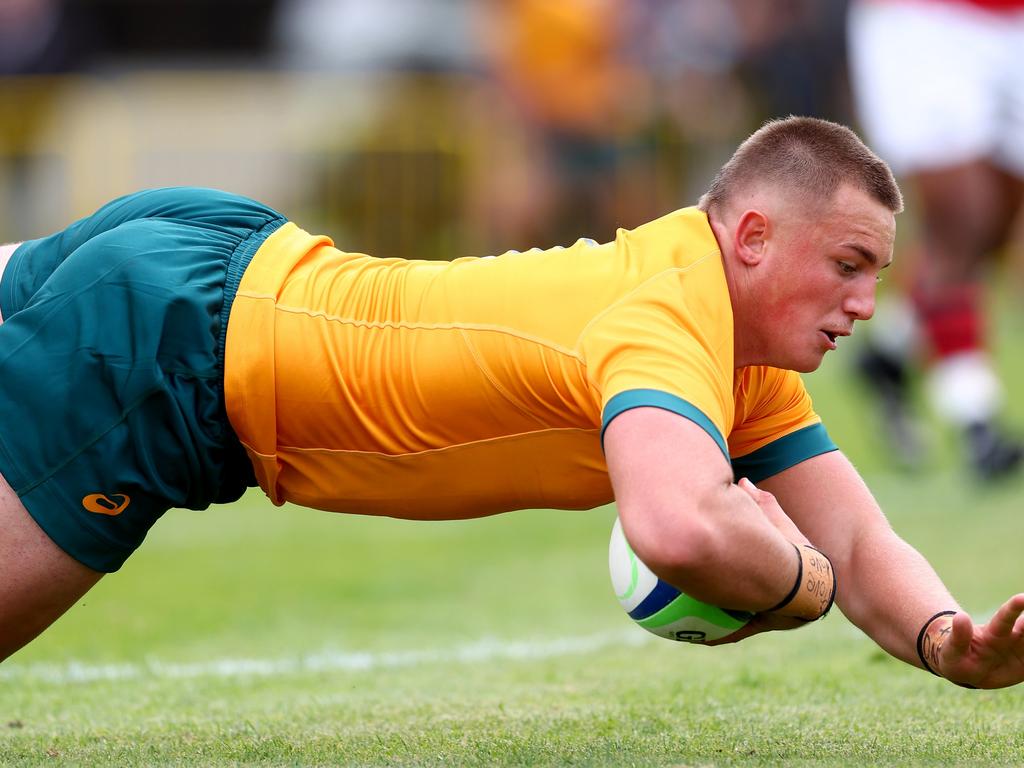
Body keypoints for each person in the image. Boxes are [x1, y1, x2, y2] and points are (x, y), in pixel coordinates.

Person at [1, 117, 1023, 689]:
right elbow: (673, 524)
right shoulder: (664, 319)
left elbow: (854, 531)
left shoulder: (735, 354)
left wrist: (945, 639)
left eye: (876, 275)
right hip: (173, 359)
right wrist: (796, 584)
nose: (864, 303)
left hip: (225, 248)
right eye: (847, 265)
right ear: (752, 237)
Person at [846, 0, 1024, 478]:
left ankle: (890, 349)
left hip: (1012, 25)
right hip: (927, 21)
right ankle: (976, 420)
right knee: (962, 218)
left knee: (990, 231)